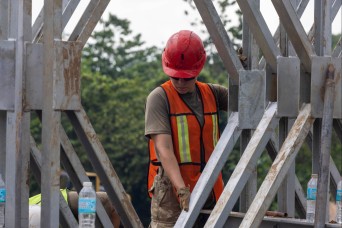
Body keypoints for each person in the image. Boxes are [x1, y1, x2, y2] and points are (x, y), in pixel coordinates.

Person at [145, 30, 228, 227]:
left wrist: (243, 70)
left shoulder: (213, 94)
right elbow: (163, 149)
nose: (181, 83)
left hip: (210, 188)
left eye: (187, 78)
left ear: (198, 69)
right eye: (176, 77)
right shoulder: (159, 98)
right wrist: (181, 189)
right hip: (172, 193)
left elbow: (250, 99)